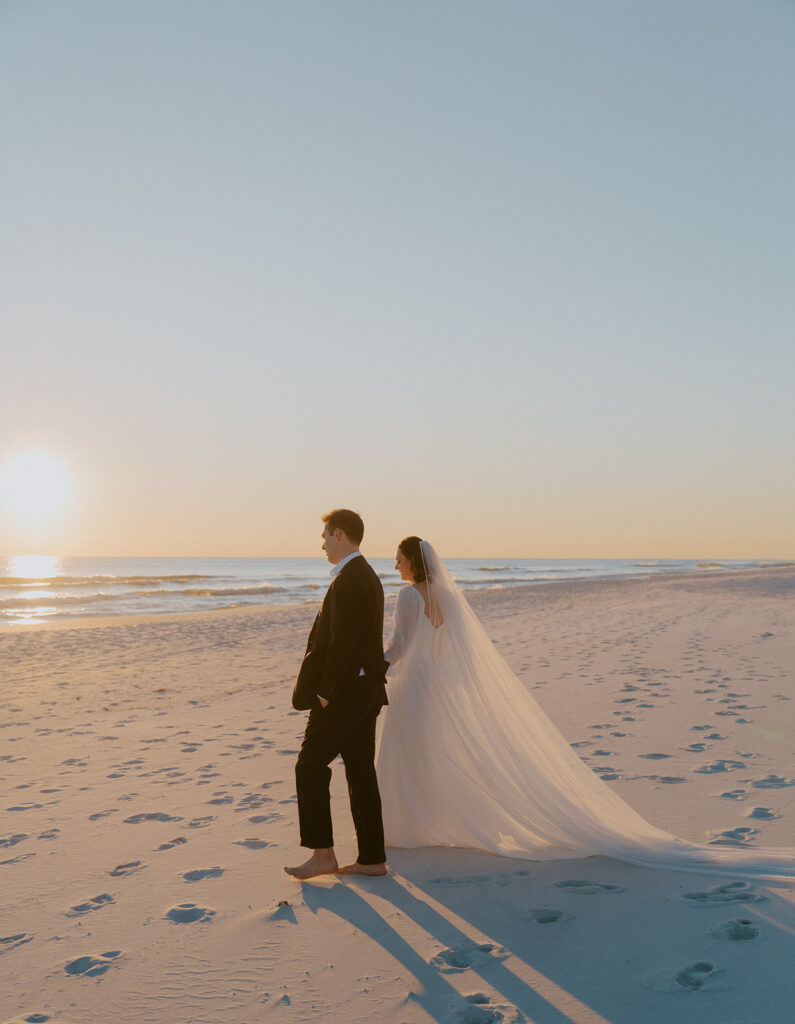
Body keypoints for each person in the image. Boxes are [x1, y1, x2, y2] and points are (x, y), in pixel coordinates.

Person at [376, 536, 795, 883]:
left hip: (415, 686)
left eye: (398, 559)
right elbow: (451, 652)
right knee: (428, 753)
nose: (395, 566)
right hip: (440, 685)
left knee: (410, 753)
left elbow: (399, 647)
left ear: (413, 560)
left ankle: (410, 826)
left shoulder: (408, 597)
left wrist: (371, 668)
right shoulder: (447, 596)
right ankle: (425, 821)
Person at [285, 509, 389, 879]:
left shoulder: (348, 580)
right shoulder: (368, 576)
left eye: (326, 536)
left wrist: (326, 694)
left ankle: (323, 854)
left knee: (309, 766)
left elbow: (341, 645)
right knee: (360, 771)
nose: (323, 543)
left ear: (340, 534)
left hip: (344, 694)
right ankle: (372, 857)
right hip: (367, 691)